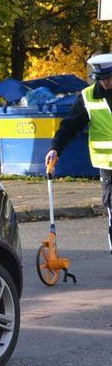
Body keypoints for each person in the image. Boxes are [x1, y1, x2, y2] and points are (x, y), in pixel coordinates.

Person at [44, 53, 112, 253]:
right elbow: (69, 127)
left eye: (108, 78)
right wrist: (55, 148)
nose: (105, 83)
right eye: (101, 80)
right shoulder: (87, 97)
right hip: (108, 165)